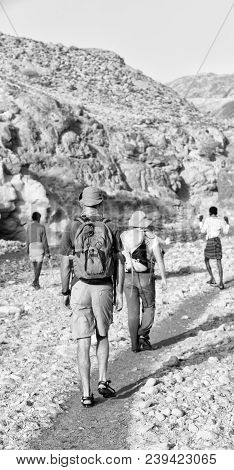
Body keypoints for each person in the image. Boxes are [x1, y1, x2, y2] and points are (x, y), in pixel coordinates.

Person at [60, 186, 124, 408]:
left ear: (81, 203)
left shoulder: (73, 226)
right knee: (103, 335)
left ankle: (86, 394)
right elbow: (119, 262)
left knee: (82, 342)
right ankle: (103, 380)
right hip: (104, 287)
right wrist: (119, 292)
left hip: (80, 287)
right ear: (101, 203)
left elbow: (65, 262)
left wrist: (65, 290)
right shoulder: (111, 226)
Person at [121, 210, 167, 353]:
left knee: (132, 313)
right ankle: (142, 334)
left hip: (128, 278)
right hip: (146, 277)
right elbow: (159, 259)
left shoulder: (124, 236)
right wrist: (164, 278)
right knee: (149, 307)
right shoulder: (151, 237)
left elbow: (120, 258)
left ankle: (134, 345)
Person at [199, 207, 230, 290]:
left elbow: (202, 231)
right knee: (218, 261)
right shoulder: (220, 220)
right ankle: (221, 283)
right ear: (216, 213)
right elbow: (226, 232)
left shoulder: (207, 220)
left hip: (210, 241)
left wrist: (200, 221)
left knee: (206, 259)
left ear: (209, 212)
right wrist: (227, 223)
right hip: (217, 241)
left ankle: (212, 278)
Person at [26, 211, 50, 289]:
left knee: (35, 267)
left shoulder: (29, 227)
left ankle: (37, 284)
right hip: (39, 247)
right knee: (39, 267)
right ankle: (35, 281)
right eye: (40, 218)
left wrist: (27, 250)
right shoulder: (41, 227)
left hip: (31, 247)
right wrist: (47, 252)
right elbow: (44, 240)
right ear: (38, 218)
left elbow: (28, 240)